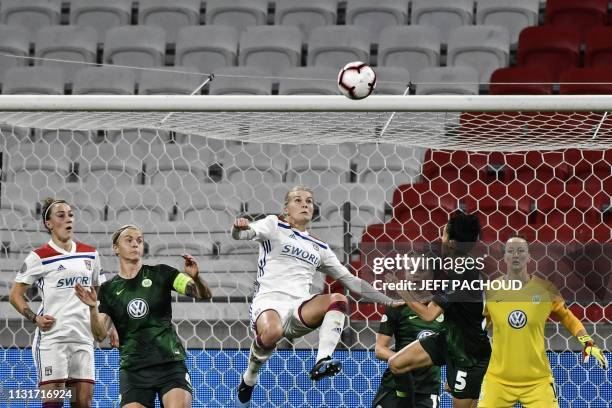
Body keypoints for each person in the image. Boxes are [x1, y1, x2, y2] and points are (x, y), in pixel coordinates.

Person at [232, 185, 401, 406]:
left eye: (309, 201)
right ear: (286, 208)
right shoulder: (273, 225)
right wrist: (238, 227)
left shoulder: (319, 246)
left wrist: (389, 301)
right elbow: (242, 234)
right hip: (269, 302)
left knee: (338, 299)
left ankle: (323, 360)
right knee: (273, 331)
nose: (304, 204)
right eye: (298, 200)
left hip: (300, 306)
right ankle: (250, 377)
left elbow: (351, 280)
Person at [74, 224, 212, 408]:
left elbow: (202, 294)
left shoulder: (162, 273)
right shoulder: (108, 289)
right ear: (116, 248)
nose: (135, 244)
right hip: (133, 369)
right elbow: (99, 335)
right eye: (129, 240)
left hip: (169, 364)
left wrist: (196, 278)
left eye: (139, 240)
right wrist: (92, 308)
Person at [478, 235, 608, 407]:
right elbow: (477, 325)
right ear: (505, 257)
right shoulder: (491, 290)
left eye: (521, 250)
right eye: (511, 251)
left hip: (537, 382)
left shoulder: (545, 289)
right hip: (497, 380)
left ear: (529, 257)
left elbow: (567, 316)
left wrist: (587, 342)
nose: (515, 255)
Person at [387, 213, 491, 408]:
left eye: (443, 234)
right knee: (396, 363)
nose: (440, 238)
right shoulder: (457, 266)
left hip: (468, 353)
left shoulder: (461, 272)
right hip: (449, 338)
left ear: (451, 242)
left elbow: (428, 315)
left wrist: (402, 290)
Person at [9, 198, 104, 408]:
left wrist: (104, 320)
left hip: (83, 338)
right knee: (53, 404)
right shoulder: (39, 257)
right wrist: (35, 318)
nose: (68, 219)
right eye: (61, 215)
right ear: (48, 223)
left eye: (71, 214)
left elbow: (99, 295)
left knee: (84, 404)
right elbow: (15, 295)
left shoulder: (90, 254)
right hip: (53, 339)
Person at [373, 303, 443, 408]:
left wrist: (453, 376)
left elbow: (455, 345)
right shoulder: (398, 307)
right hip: (395, 385)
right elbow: (379, 350)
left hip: (427, 388)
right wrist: (406, 361)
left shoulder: (444, 309)